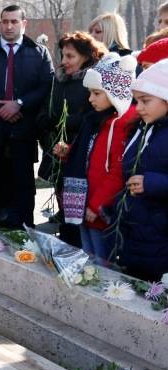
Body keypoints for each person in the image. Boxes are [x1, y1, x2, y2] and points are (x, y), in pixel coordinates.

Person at [0, 4, 53, 229]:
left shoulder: (39, 53)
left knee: (23, 183)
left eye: (14, 22)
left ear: (24, 24)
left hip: (23, 130)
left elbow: (46, 86)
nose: (9, 26)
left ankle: (24, 229)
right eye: (5, 21)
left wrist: (19, 105)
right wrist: (0, 108)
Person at [60, 53, 137, 264]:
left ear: (115, 93)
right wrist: (68, 153)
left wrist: (97, 205)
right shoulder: (96, 120)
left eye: (96, 93)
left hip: (100, 210)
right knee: (88, 256)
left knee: (102, 261)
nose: (90, 99)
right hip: (85, 203)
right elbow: (88, 156)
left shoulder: (122, 124)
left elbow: (117, 170)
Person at [36, 31, 108, 247]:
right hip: (58, 153)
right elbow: (45, 110)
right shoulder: (58, 80)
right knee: (65, 208)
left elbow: (91, 116)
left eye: (71, 56)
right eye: (63, 56)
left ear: (86, 56)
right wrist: (46, 121)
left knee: (78, 214)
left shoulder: (93, 82)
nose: (65, 61)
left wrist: (64, 124)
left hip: (80, 155)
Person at [116, 59, 168, 281]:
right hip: (139, 228)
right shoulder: (145, 128)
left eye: (146, 100)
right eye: (137, 101)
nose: (139, 108)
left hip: (160, 235)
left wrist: (152, 183)